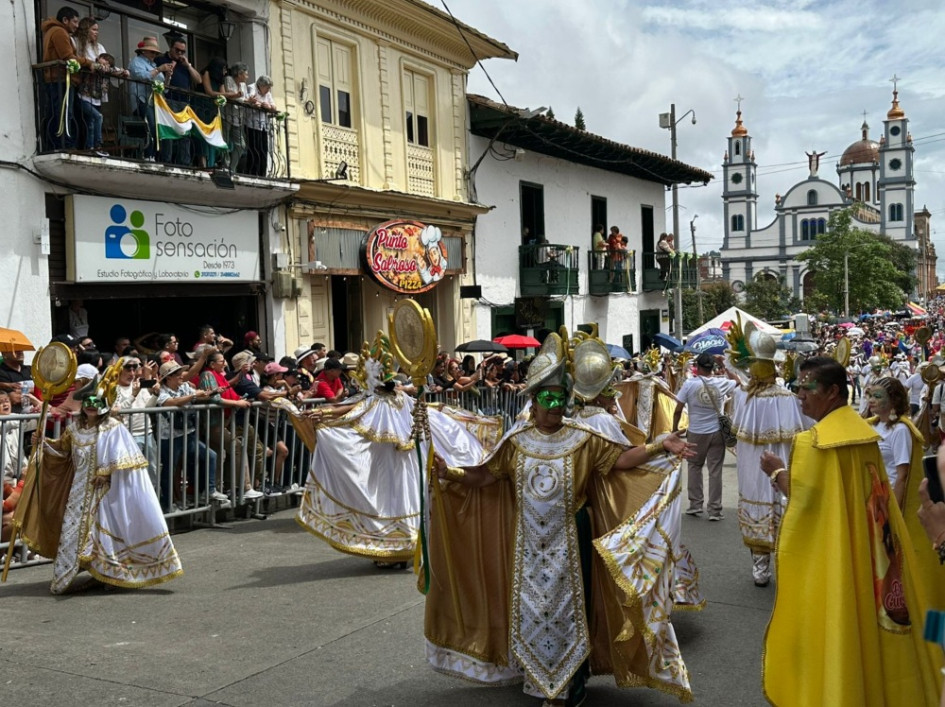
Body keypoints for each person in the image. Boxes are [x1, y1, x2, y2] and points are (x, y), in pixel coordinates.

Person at [425, 332, 696, 706]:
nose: (555, 407)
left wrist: (658, 445)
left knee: (572, 609)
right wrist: (450, 473)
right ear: (533, 402)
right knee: (534, 607)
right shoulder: (516, 441)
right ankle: (538, 678)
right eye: (548, 399)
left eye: (561, 399)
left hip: (572, 537)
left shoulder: (583, 437)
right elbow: (486, 476)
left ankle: (573, 680)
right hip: (526, 543)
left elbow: (619, 461)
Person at [759, 357, 942, 705]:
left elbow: (804, 502)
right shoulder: (864, 433)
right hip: (875, 553)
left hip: (837, 555)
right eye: (798, 386)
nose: (800, 394)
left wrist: (775, 471)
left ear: (832, 392)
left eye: (808, 387)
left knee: (841, 624)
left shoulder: (814, 442)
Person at [285, 332, 501, 567]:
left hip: (393, 463)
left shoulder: (384, 399)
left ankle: (399, 548)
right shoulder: (393, 398)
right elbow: (352, 406)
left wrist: (324, 415)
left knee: (393, 501)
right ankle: (406, 547)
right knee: (404, 500)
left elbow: (353, 409)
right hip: (397, 462)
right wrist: (324, 412)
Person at [13, 376, 183, 594]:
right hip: (78, 492)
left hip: (106, 493)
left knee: (104, 533)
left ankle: (112, 574)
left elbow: (127, 456)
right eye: (88, 402)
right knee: (75, 533)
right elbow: (63, 452)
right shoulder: (75, 430)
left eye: (97, 402)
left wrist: (106, 473)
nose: (92, 406)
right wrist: (44, 445)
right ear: (83, 405)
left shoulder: (113, 428)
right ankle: (93, 572)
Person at [725, 319, 809, 587]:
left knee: (758, 506)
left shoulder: (743, 398)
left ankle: (761, 569)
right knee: (783, 508)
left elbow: (733, 424)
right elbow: (805, 428)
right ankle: (785, 566)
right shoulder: (787, 397)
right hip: (782, 466)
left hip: (752, 468)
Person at [865, 375, 945, 599]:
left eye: (877, 396)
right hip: (874, 496)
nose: (871, 400)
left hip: (888, 498)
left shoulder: (900, 431)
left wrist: (893, 509)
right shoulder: (873, 426)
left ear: (893, 400)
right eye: (870, 395)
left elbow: (903, 476)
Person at [673, 352, 737, 520]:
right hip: (717, 432)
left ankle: (695, 505)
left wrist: (674, 430)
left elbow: (678, 409)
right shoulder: (721, 382)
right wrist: (725, 366)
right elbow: (738, 382)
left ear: (698, 367)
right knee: (715, 470)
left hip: (696, 432)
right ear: (713, 368)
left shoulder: (689, 384)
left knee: (694, 467)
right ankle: (715, 510)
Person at [41, 7, 90, 150]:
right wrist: (88, 62)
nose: (76, 25)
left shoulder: (53, 31)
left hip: (57, 79)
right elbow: (68, 57)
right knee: (63, 113)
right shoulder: (59, 32)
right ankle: (64, 144)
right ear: (65, 20)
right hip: (60, 79)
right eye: (74, 22)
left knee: (58, 112)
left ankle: (58, 143)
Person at [156, 35, 202, 166]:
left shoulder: (185, 64)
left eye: (183, 51)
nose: (180, 53)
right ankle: (167, 160)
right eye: (177, 50)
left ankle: (184, 162)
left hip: (184, 102)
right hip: (167, 99)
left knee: (185, 132)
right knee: (169, 131)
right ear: (171, 48)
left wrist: (188, 66)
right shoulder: (161, 59)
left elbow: (198, 80)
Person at [127, 36, 170, 161]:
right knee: (149, 125)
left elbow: (164, 88)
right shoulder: (137, 61)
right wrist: (159, 70)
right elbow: (142, 76)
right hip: (142, 99)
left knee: (155, 128)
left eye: (156, 53)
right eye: (152, 52)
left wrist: (167, 76)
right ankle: (146, 155)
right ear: (143, 51)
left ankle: (152, 155)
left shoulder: (154, 64)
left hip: (154, 103)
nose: (154, 55)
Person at [246, 75, 277, 177]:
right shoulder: (252, 88)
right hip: (252, 124)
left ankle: (262, 174)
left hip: (263, 125)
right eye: (267, 87)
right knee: (254, 149)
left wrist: (268, 106)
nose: (268, 90)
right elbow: (251, 99)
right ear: (261, 86)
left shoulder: (267, 94)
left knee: (263, 150)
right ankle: (253, 173)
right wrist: (256, 104)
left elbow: (274, 106)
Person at [223, 63, 250, 173]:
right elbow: (230, 95)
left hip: (238, 118)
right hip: (227, 115)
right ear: (239, 74)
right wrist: (240, 98)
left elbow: (243, 97)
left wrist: (250, 101)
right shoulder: (228, 79)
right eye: (246, 74)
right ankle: (225, 165)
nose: (247, 77)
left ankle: (232, 167)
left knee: (241, 145)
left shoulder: (243, 85)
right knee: (224, 142)